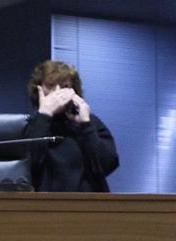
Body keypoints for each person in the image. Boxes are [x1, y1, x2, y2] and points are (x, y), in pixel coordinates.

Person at [22, 60, 119, 192]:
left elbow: (107, 165)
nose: (57, 93)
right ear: (39, 89)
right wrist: (44, 114)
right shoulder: (30, 125)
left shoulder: (90, 122)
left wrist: (86, 125)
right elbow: (27, 166)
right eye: (50, 86)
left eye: (64, 86)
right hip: (44, 206)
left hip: (90, 205)